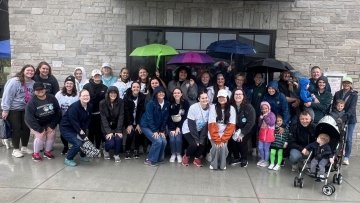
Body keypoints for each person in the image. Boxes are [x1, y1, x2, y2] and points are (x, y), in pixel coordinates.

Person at [1, 64, 35, 158]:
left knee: (26, 128)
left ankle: (24, 147)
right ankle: (15, 149)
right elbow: (7, 95)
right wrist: (5, 109)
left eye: (32, 71)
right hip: (14, 109)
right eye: (28, 70)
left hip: (26, 109)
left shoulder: (33, 83)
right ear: (23, 71)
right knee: (17, 129)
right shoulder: (15, 81)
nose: (30, 72)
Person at [25, 82, 61, 161]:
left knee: (52, 133)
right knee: (41, 135)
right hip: (36, 123)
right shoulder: (32, 102)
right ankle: (36, 154)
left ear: (45, 89)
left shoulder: (51, 97)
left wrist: (52, 125)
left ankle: (47, 152)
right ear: (34, 91)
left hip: (49, 122)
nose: (40, 91)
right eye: (37, 90)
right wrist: (39, 129)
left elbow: (57, 111)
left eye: (41, 89)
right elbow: (29, 118)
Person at [60, 89, 93, 167]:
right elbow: (74, 123)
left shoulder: (90, 106)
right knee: (77, 143)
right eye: (84, 96)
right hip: (67, 128)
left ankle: (82, 155)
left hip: (79, 127)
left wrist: (84, 131)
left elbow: (88, 119)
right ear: (80, 97)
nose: (86, 97)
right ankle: (68, 159)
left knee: (85, 141)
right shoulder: (74, 107)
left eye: (87, 95)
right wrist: (82, 134)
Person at [140, 86, 170, 166]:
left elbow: (165, 118)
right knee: (157, 140)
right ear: (155, 94)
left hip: (158, 127)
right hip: (146, 125)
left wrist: (162, 130)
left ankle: (158, 159)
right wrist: (155, 131)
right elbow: (150, 118)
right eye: (159, 92)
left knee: (163, 140)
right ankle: (150, 160)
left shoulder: (167, 103)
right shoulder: (151, 103)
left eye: (162, 92)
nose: (161, 93)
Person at [332, 76, 358, 165]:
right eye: (344, 82)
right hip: (338, 118)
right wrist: (332, 115)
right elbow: (334, 106)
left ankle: (346, 157)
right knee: (338, 137)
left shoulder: (354, 94)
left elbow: (352, 108)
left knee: (348, 139)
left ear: (351, 84)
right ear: (342, 83)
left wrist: (344, 118)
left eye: (348, 83)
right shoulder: (337, 93)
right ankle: (337, 154)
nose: (346, 84)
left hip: (350, 119)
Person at [208, 89, 236, 170]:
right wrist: (217, 140)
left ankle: (222, 164)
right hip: (213, 133)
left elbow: (231, 126)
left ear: (227, 98)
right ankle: (214, 164)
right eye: (219, 97)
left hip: (224, 134)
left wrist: (223, 139)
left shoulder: (231, 109)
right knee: (216, 147)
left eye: (223, 97)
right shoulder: (213, 107)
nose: (221, 99)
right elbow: (211, 125)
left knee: (223, 147)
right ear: (217, 98)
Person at [228, 88, 256, 167]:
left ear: (243, 96)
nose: (238, 96)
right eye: (236, 94)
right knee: (232, 139)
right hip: (236, 127)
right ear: (233, 96)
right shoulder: (231, 106)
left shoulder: (249, 107)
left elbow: (251, 122)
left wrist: (242, 133)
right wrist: (233, 130)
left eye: (240, 94)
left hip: (248, 128)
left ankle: (244, 159)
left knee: (241, 140)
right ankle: (237, 157)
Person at [181, 90, 210, 167]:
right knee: (194, 144)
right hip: (188, 129)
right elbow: (191, 125)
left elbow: (206, 125)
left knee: (202, 143)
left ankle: (197, 158)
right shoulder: (193, 107)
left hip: (200, 129)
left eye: (206, 97)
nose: (205, 100)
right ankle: (186, 156)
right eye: (202, 98)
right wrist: (197, 139)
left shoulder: (210, 108)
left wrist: (201, 138)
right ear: (198, 99)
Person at [83, 69, 108, 151]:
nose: (97, 77)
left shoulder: (105, 87)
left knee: (98, 132)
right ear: (92, 76)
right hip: (89, 113)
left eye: (99, 75)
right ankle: (91, 149)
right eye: (95, 75)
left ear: (101, 76)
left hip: (99, 114)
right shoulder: (86, 86)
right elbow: (83, 98)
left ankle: (97, 147)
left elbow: (106, 101)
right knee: (90, 132)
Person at [55, 75, 79, 155]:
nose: (69, 85)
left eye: (71, 83)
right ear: (65, 84)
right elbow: (56, 105)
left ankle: (74, 146)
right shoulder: (59, 94)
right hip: (62, 117)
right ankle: (65, 146)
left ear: (74, 85)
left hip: (73, 118)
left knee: (73, 132)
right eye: (67, 83)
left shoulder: (77, 95)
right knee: (63, 133)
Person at [99, 86, 124, 162]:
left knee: (118, 138)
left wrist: (119, 130)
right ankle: (105, 150)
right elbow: (103, 118)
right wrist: (109, 132)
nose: (113, 94)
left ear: (117, 94)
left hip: (117, 126)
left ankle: (116, 154)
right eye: (111, 93)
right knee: (111, 143)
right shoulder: (102, 103)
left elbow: (121, 116)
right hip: (106, 127)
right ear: (108, 94)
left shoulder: (120, 101)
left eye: (115, 93)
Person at [123, 82, 146, 159]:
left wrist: (139, 123)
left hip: (138, 120)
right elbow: (126, 112)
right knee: (130, 134)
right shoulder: (126, 97)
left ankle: (136, 149)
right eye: (134, 87)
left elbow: (142, 111)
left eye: (137, 87)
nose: (136, 88)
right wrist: (129, 124)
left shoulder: (143, 97)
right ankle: (127, 150)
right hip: (129, 120)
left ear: (140, 88)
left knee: (137, 133)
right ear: (131, 88)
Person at [167, 87, 190, 163]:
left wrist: (179, 127)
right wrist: (173, 128)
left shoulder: (185, 103)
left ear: (181, 94)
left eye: (178, 93)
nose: (176, 94)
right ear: (173, 94)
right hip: (171, 125)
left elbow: (185, 117)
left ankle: (179, 154)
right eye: (175, 93)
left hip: (181, 125)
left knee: (179, 139)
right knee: (173, 139)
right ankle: (173, 154)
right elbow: (168, 117)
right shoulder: (169, 103)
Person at [248, 73, 267, 155]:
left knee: (261, 131)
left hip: (260, 114)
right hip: (252, 113)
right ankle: (254, 148)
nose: (258, 78)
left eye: (260, 77)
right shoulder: (250, 87)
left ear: (262, 78)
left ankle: (260, 148)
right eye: (256, 77)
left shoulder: (264, 88)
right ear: (254, 77)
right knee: (252, 131)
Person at [257, 101, 276, 168]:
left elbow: (271, 123)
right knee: (260, 147)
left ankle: (266, 161)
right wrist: (260, 119)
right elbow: (259, 125)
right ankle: (262, 159)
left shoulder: (272, 114)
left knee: (266, 148)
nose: (264, 110)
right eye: (263, 109)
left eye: (266, 108)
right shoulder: (261, 115)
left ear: (269, 108)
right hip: (262, 132)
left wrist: (265, 117)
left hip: (268, 133)